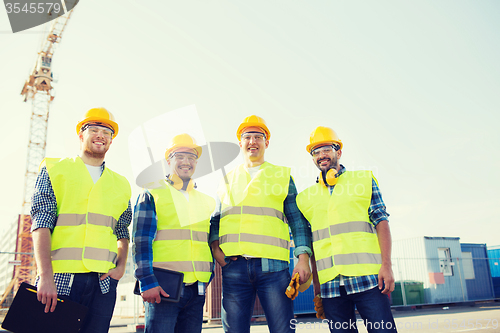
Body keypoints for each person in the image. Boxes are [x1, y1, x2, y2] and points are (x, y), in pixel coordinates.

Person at [30, 107, 132, 333]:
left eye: (107, 133)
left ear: (111, 141)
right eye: (94, 129)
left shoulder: (121, 184)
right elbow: (41, 222)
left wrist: (121, 266)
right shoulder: (55, 169)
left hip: (103, 284)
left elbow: (122, 230)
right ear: (81, 135)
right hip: (61, 279)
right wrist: (44, 275)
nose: (101, 136)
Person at [209, 115, 312, 333]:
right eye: (248, 137)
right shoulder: (226, 179)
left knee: (283, 330)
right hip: (234, 268)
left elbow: (297, 221)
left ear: (267, 142)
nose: (252, 142)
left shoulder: (282, 176)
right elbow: (215, 221)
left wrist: (303, 259)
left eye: (258, 137)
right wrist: (216, 251)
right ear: (240, 143)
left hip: (273, 269)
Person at [296, 126, 397, 333]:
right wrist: (317, 288)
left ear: (338, 152)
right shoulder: (305, 198)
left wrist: (386, 266)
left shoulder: (363, 180)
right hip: (330, 286)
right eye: (315, 152)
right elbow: (314, 244)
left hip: (369, 279)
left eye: (326, 149)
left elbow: (382, 222)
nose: (321, 155)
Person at [133, 133, 215, 333]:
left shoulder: (205, 200)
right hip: (163, 289)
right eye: (179, 156)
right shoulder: (153, 192)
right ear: (168, 160)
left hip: (196, 290)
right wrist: (146, 281)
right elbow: (141, 241)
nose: (186, 162)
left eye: (192, 157)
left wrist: (207, 276)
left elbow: (203, 243)